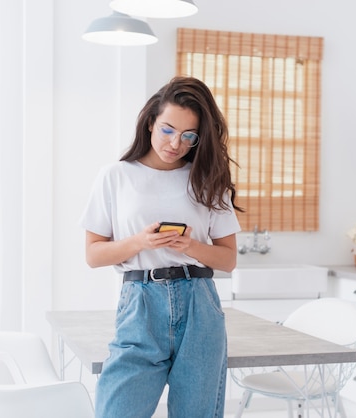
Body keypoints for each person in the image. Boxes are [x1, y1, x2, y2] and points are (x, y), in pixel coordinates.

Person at [80, 76, 242, 418]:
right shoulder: (116, 176)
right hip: (140, 300)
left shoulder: (208, 180)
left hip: (199, 303)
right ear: (151, 121)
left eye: (188, 136)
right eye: (168, 129)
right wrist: (140, 241)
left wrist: (191, 246)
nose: (175, 143)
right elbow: (93, 254)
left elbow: (228, 260)